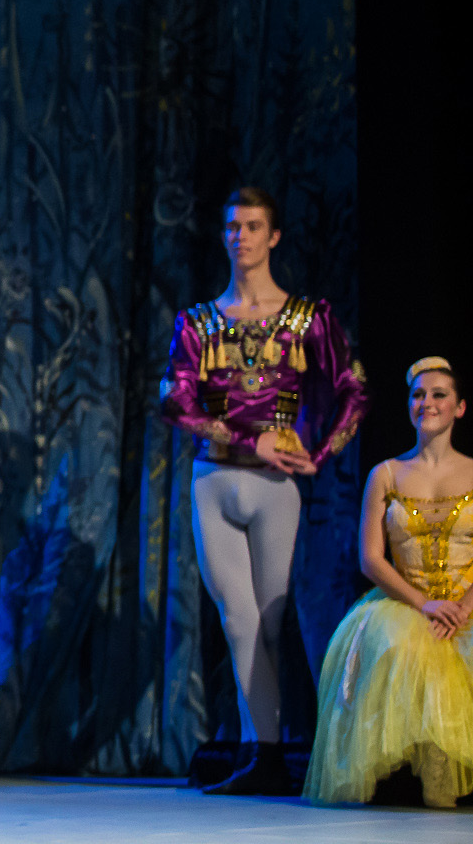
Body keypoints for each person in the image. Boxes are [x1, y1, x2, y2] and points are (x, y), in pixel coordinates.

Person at [158, 186, 369, 795]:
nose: (240, 237)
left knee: (270, 624)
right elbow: (175, 399)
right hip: (216, 478)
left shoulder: (307, 319)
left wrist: (319, 455)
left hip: (278, 488)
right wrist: (252, 441)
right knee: (239, 617)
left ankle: (269, 749)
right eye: (232, 227)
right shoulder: (199, 322)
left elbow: (353, 389)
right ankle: (265, 753)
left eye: (252, 227)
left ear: (273, 236)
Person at [305, 357, 473, 808]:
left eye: (439, 394)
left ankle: (446, 791)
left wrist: (461, 607)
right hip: (408, 602)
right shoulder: (387, 473)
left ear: (459, 407)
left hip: (466, 604)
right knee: (392, 643)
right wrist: (425, 604)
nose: (427, 402)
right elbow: (371, 559)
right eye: (418, 395)